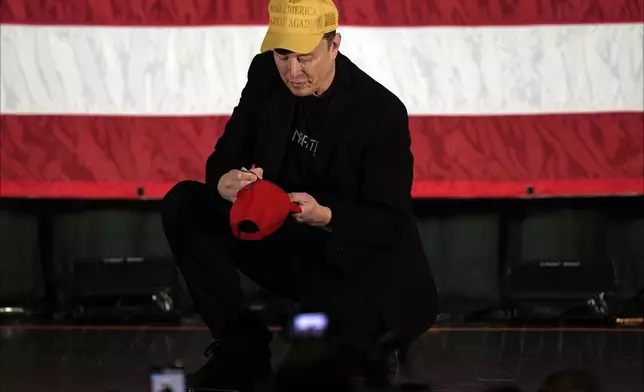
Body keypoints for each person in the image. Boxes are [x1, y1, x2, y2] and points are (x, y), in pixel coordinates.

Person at [161, 0, 439, 390]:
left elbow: (387, 223)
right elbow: (224, 157)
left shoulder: (380, 112)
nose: (292, 72)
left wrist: (326, 215)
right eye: (282, 55)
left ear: (334, 44)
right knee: (186, 203)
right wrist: (226, 180)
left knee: (306, 379)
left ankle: (370, 347)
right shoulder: (265, 75)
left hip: (355, 263)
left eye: (305, 57)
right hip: (285, 239)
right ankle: (241, 351)